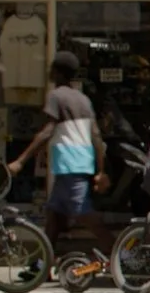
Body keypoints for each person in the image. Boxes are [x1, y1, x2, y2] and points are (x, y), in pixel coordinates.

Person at [8, 51, 108, 252]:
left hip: (69, 162)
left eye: (52, 68)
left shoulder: (56, 96)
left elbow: (47, 130)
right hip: (80, 161)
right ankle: (41, 266)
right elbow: (96, 136)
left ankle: (119, 252)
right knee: (54, 216)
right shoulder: (83, 99)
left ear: (58, 72)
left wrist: (21, 160)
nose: (49, 71)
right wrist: (101, 169)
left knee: (81, 212)